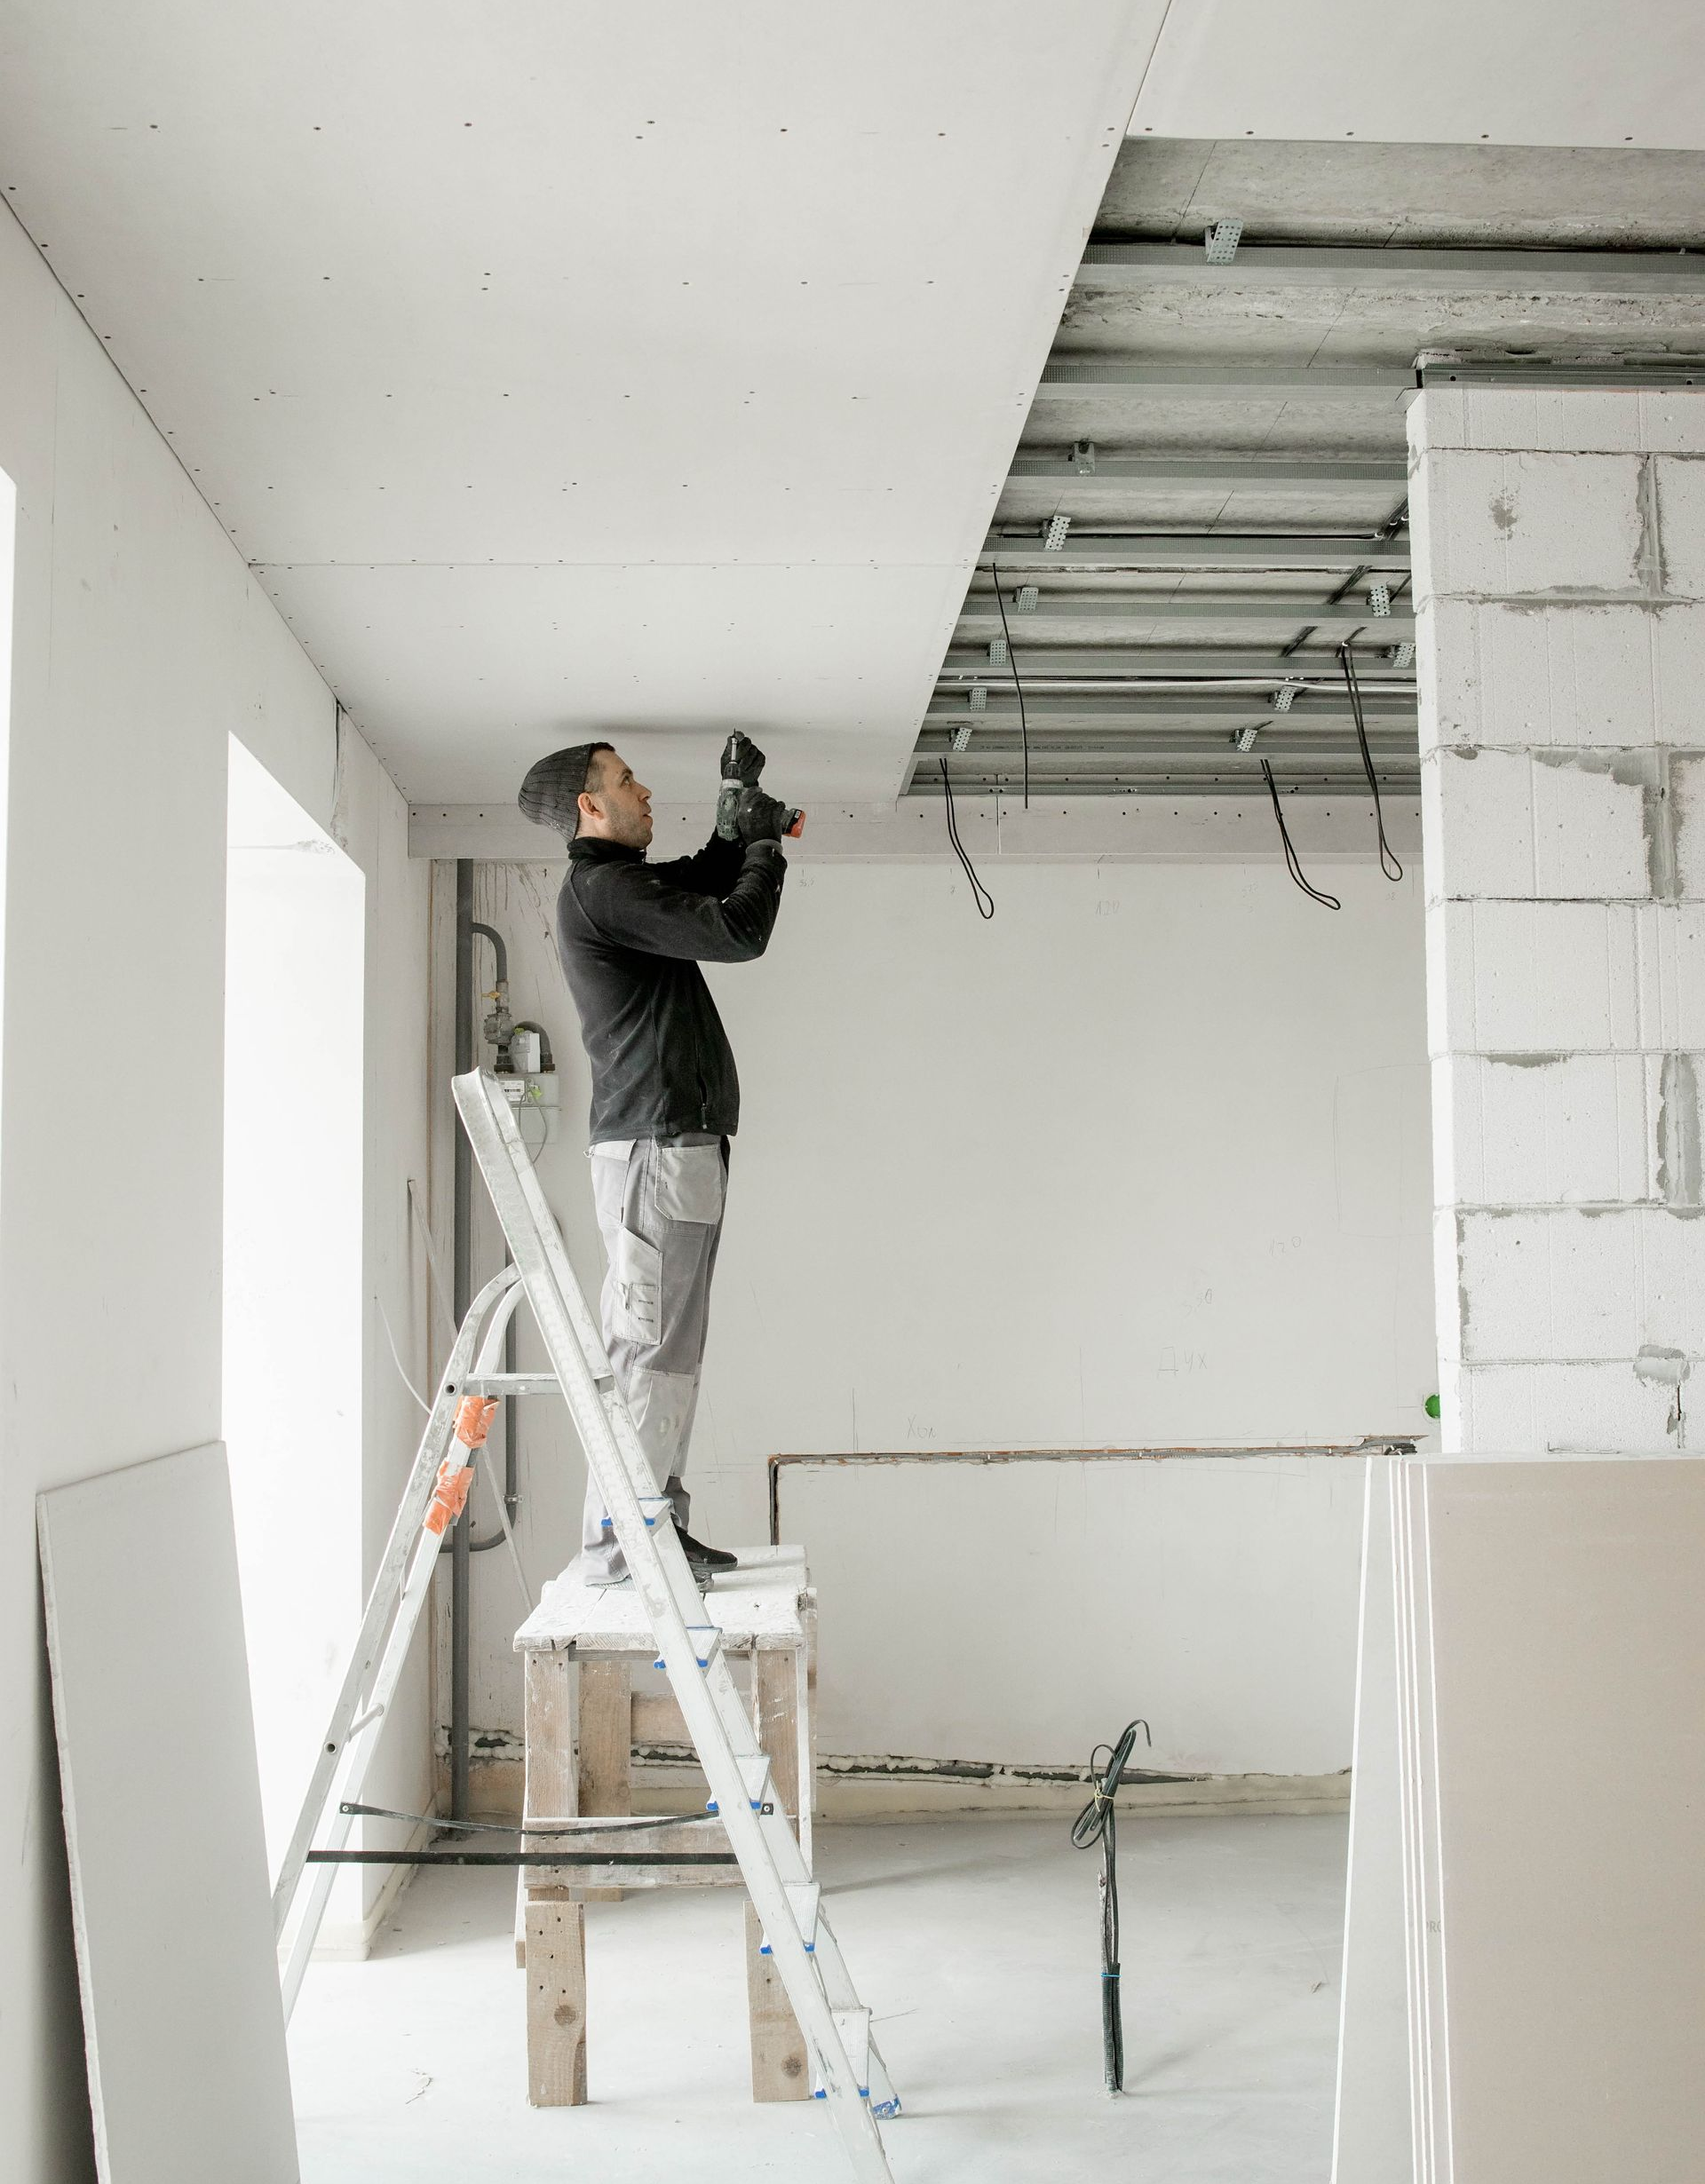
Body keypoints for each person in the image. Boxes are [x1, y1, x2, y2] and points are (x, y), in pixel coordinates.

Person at [517, 735, 793, 1586]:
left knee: (669, 1349)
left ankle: (652, 1527)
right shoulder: (601, 891)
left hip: (673, 1146)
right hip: (655, 1150)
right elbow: (737, 929)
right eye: (625, 781)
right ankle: (622, 1541)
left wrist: (735, 822)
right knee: (650, 1347)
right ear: (587, 807)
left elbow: (698, 886)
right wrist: (763, 847)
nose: (643, 791)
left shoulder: (620, 891)